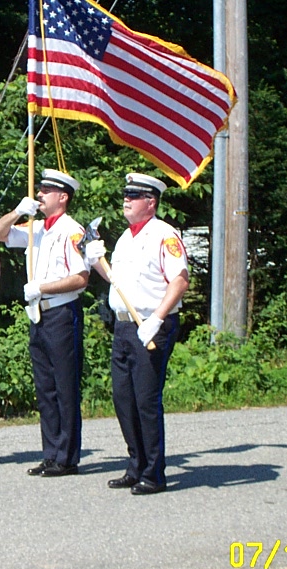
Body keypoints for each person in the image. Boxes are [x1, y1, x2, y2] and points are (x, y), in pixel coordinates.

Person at [85, 173, 189, 495]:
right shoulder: (125, 239)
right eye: (126, 194)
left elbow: (180, 280)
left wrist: (156, 319)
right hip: (124, 325)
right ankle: (136, 465)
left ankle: (154, 473)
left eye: (134, 195)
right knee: (123, 399)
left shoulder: (164, 235)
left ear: (151, 202)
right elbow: (117, 280)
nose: (126, 199)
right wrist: (95, 259)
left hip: (151, 326)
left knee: (145, 400)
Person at [0, 169, 89, 477]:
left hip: (60, 312)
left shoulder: (72, 231)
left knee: (64, 387)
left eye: (47, 191)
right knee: (45, 388)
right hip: (38, 314)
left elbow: (80, 278)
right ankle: (51, 452)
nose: (41, 194)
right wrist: (17, 212)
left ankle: (67, 457)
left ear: (63, 197)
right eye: (40, 189)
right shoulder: (38, 229)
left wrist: (43, 288)